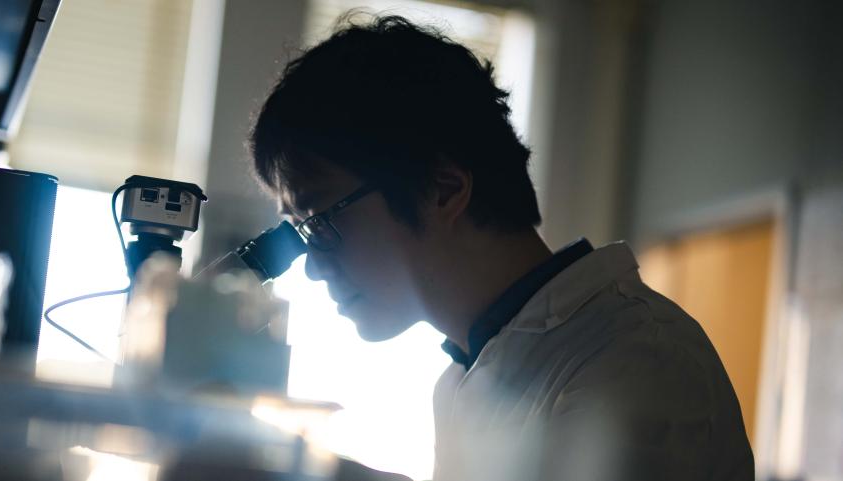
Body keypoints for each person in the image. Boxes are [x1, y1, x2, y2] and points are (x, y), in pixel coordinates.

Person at [248, 14, 754, 481]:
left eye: (320, 220)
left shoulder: (638, 361)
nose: (313, 268)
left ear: (442, 190)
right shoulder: (460, 380)